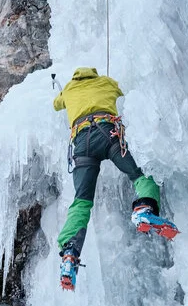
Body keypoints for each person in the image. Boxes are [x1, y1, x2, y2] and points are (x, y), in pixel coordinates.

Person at [53, 67, 178, 290]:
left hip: (83, 143)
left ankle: (70, 252)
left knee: (81, 201)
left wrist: (64, 95)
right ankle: (144, 209)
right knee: (139, 175)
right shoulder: (106, 82)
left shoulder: (69, 89)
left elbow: (56, 104)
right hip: (108, 134)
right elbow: (122, 91)